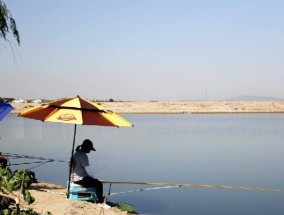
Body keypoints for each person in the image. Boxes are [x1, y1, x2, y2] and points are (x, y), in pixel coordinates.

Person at [71, 139, 110, 208]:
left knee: (94, 181)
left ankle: (97, 197)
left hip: (73, 177)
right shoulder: (83, 156)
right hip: (79, 179)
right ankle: (101, 202)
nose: (90, 151)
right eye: (90, 149)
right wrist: (96, 179)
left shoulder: (77, 153)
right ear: (86, 147)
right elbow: (88, 170)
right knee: (99, 184)